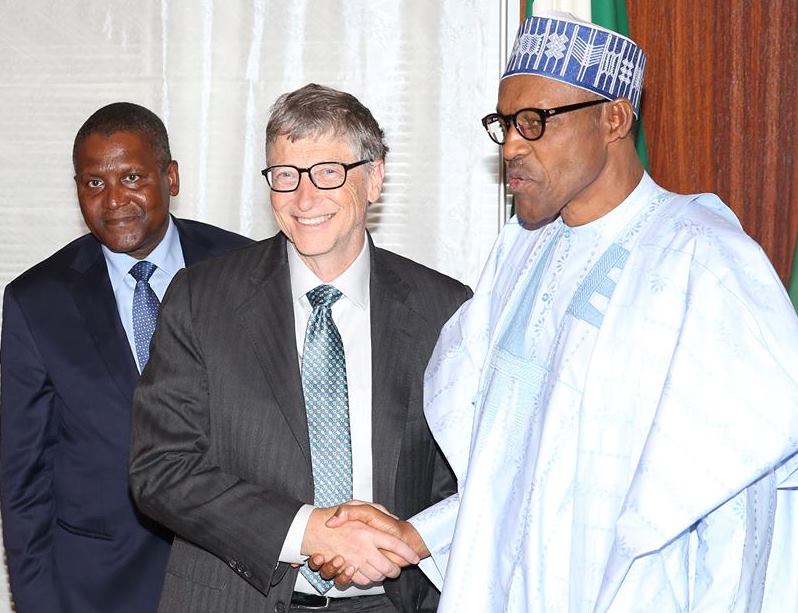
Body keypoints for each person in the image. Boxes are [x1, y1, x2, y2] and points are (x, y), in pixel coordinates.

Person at [317, 11, 798, 612]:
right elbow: (508, 469)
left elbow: (738, 513)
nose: (513, 146)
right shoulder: (518, 251)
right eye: (505, 125)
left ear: (614, 118)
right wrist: (416, 537)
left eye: (534, 122)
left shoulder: (705, 261)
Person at [128, 83, 471, 613]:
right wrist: (310, 532)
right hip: (239, 600)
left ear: (374, 177)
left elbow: (472, 479)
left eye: (329, 172)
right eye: (285, 175)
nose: (304, 199)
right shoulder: (201, 299)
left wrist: (403, 538)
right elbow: (161, 468)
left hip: (395, 600)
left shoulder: (445, 309)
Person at [0, 102, 251, 613]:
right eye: (94, 183)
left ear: (171, 176)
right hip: (97, 588)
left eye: (132, 176)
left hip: (233, 574)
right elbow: (22, 480)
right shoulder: (35, 301)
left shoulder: (245, 269)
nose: (114, 200)